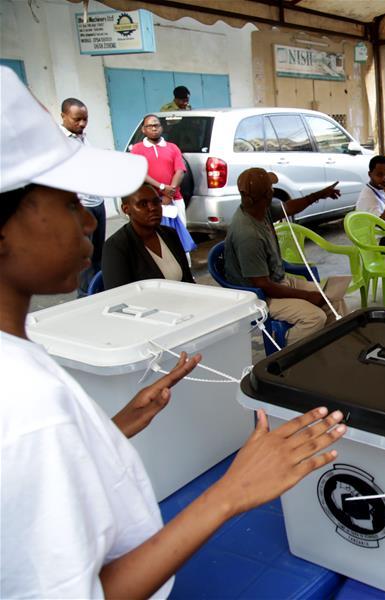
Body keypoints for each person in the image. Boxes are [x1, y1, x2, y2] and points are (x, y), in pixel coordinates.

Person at [0, 65, 345, 598]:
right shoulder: (26, 405)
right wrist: (232, 492)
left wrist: (111, 428)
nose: (90, 222)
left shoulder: (20, 366)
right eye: (69, 203)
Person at [224, 168, 346, 345]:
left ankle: (333, 347)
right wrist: (306, 296)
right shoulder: (248, 235)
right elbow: (263, 286)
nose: (274, 190)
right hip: (259, 298)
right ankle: (285, 352)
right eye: (271, 187)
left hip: (278, 281)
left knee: (333, 299)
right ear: (267, 194)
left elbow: (288, 207)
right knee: (314, 318)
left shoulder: (259, 208)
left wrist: (319, 195)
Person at [102, 184, 194, 289]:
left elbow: (188, 280)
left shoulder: (170, 234)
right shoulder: (116, 247)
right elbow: (119, 297)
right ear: (126, 209)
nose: (152, 208)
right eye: (143, 204)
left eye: (156, 202)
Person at [129, 114, 196, 257]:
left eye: (156, 125)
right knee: (154, 236)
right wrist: (161, 188)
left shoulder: (172, 147)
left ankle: (186, 270)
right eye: (150, 126)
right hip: (150, 201)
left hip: (174, 199)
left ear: (161, 127)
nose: (154, 128)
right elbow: (140, 173)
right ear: (143, 130)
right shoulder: (137, 149)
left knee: (179, 235)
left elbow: (180, 170)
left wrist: (169, 192)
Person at [59, 97, 106, 296]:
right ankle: (86, 297)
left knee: (98, 254)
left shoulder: (83, 137)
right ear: (63, 116)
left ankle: (99, 292)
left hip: (97, 201)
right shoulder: (56, 141)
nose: (81, 124)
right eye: (77, 119)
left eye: (85, 119)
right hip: (78, 205)